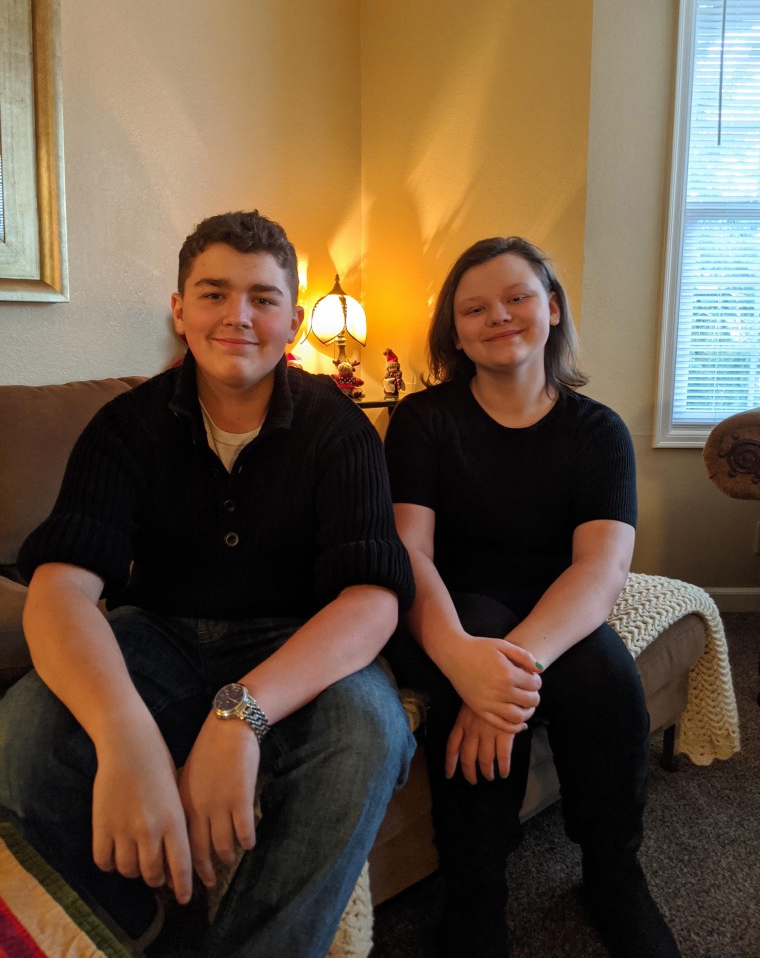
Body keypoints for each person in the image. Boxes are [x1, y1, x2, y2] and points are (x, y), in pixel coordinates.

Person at [0, 211, 416, 958]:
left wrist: (240, 716)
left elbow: (371, 601)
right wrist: (123, 729)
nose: (238, 316)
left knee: (370, 734)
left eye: (262, 297)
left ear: (292, 317)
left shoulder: (341, 430)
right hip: (154, 632)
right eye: (214, 293)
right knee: (24, 730)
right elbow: (62, 588)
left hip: (296, 640)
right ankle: (139, 925)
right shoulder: (122, 425)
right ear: (180, 309)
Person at [383, 236, 680, 958]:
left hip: (554, 604)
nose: (500, 316)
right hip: (448, 604)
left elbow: (602, 570)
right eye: (475, 308)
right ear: (455, 333)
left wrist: (512, 674)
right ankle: (474, 897)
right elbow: (410, 553)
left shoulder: (598, 430)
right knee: (467, 685)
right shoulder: (421, 420)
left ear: (551, 308)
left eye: (517, 297)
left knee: (606, 678)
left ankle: (613, 874)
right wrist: (467, 662)